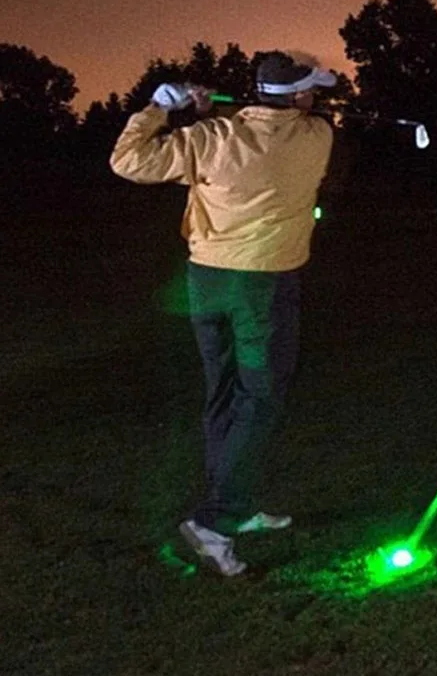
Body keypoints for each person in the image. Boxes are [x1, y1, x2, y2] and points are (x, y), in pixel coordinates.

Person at [110, 51, 336, 576]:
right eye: (312, 91)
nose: (317, 98)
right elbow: (271, 128)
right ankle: (216, 520)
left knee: (224, 392)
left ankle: (233, 500)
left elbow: (128, 160)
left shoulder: (212, 137)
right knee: (260, 397)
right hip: (264, 285)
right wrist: (209, 115)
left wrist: (164, 107)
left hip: (206, 280)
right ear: (298, 97)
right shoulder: (316, 137)